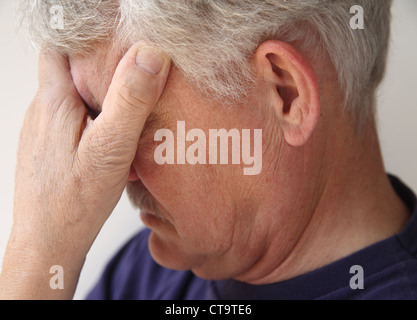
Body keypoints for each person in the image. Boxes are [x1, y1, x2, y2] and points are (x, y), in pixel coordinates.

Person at [1, 0, 416, 300]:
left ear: (285, 94)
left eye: (138, 122)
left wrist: (36, 260)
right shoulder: (142, 272)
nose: (101, 172)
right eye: (96, 116)